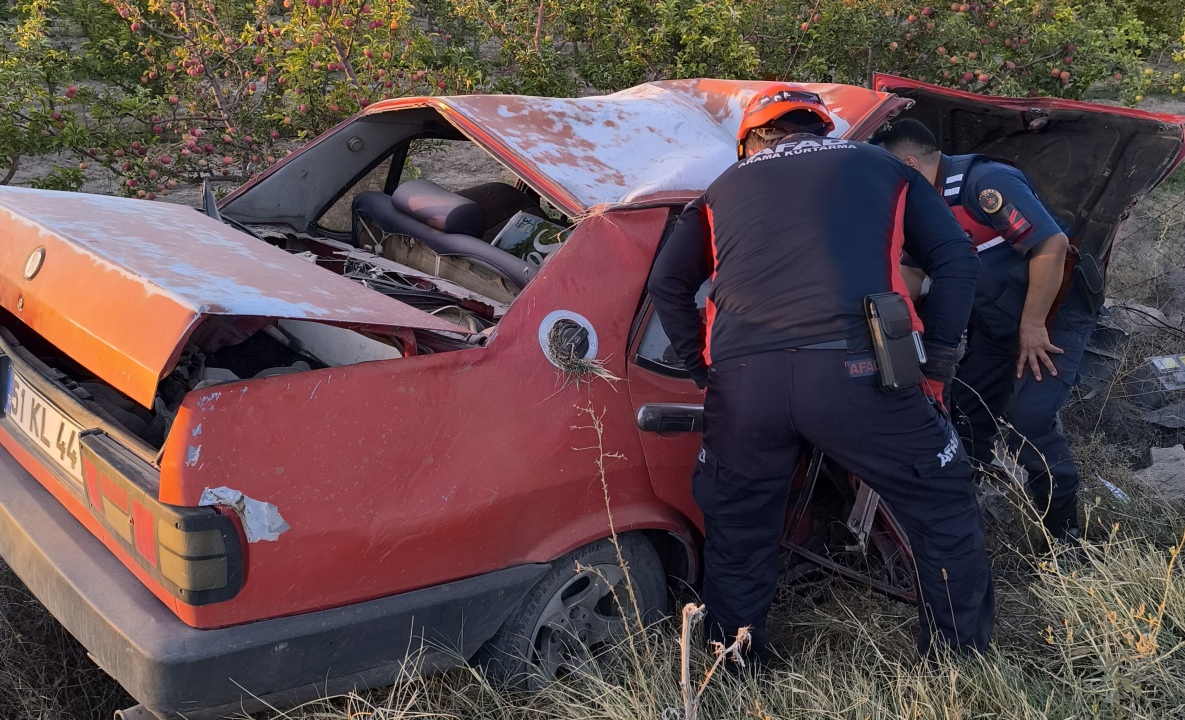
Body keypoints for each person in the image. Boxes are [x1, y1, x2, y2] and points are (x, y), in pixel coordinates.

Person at [648, 88, 992, 664]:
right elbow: (956, 259)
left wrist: (702, 369)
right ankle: (958, 667)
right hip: (857, 370)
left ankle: (731, 671)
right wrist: (938, 359)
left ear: (750, 141)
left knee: (738, 530)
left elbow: (667, 284)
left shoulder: (718, 192)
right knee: (942, 505)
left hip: (745, 382)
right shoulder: (883, 166)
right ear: (822, 129)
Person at [871, 119, 1096, 545]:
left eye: (888, 171)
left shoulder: (984, 183)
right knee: (967, 413)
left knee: (1029, 419)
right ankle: (968, 523)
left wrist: (1031, 326)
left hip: (1052, 316)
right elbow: (915, 270)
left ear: (910, 163)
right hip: (995, 323)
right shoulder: (921, 204)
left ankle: (1065, 541)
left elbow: (1051, 247)